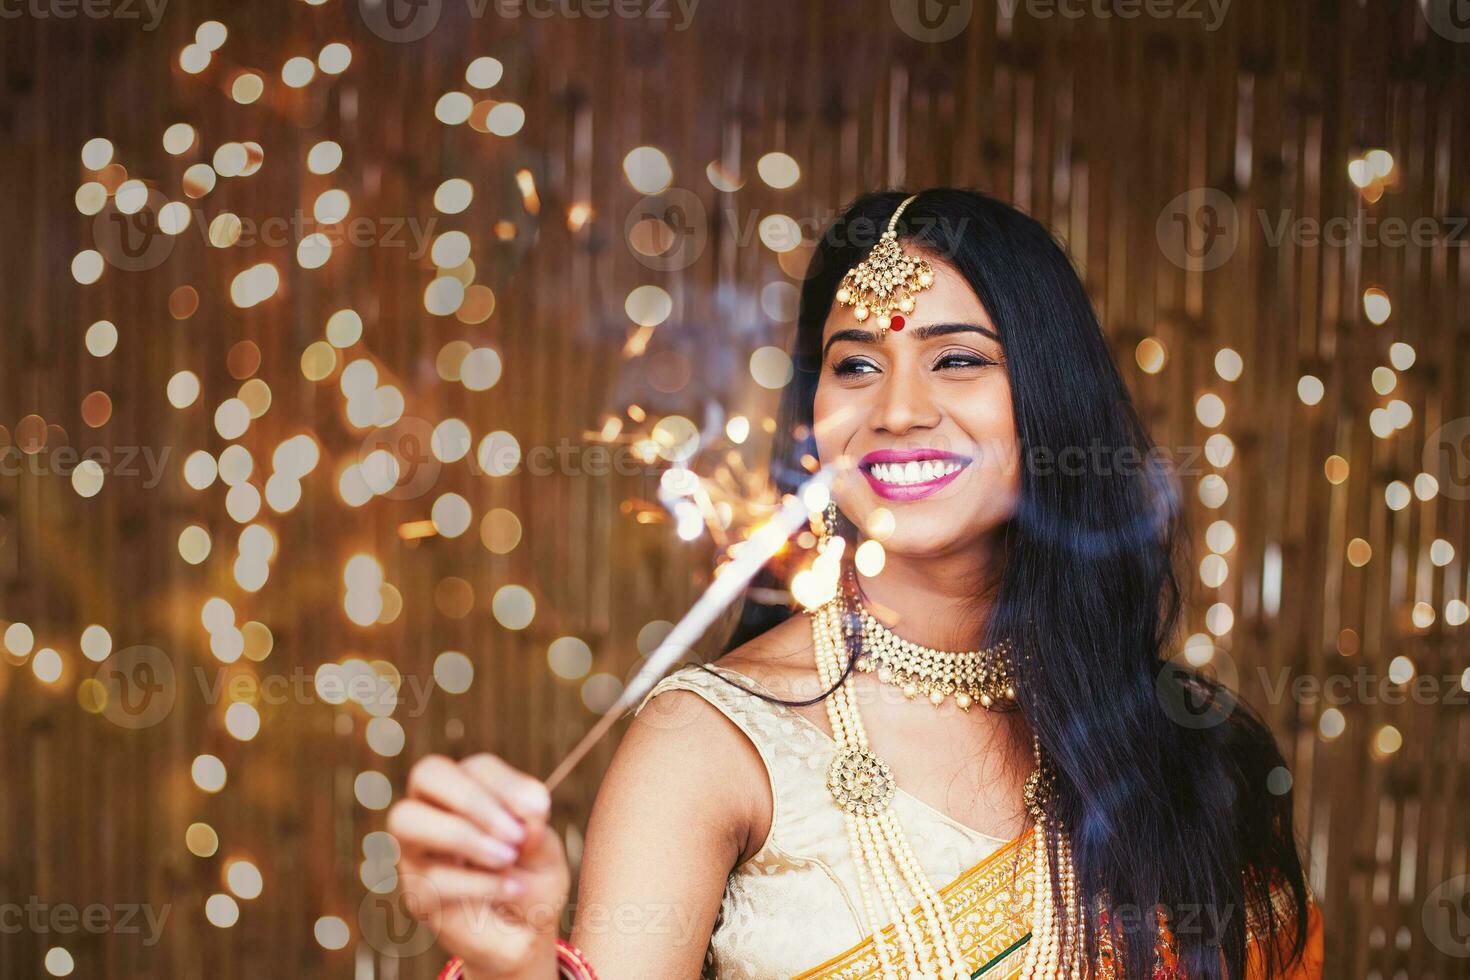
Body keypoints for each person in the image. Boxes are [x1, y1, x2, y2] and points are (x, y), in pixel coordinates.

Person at [388, 188, 1324, 979]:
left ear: (1052, 396)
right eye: (856, 366)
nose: (899, 410)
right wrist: (515, 970)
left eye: (957, 359)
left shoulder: (1185, 747)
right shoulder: (713, 742)